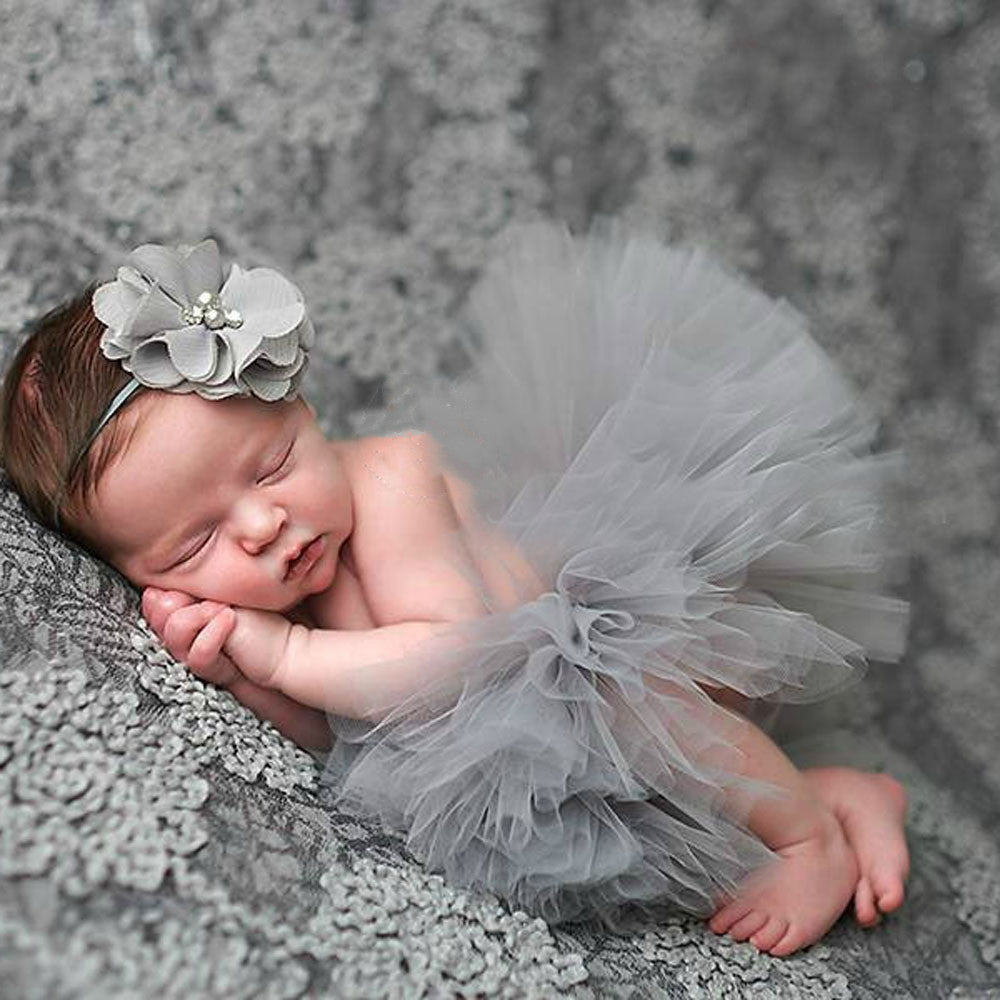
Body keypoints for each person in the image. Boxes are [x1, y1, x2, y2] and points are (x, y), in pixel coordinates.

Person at [0, 227, 911, 956]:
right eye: (194, 544)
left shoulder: (393, 479)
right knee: (655, 836)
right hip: (554, 751)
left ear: (301, 409)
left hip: (612, 660)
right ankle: (845, 794)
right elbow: (348, 732)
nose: (262, 528)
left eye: (272, 465)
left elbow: (452, 660)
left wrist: (282, 653)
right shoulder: (278, 588)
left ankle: (807, 838)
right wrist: (249, 686)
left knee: (644, 704)